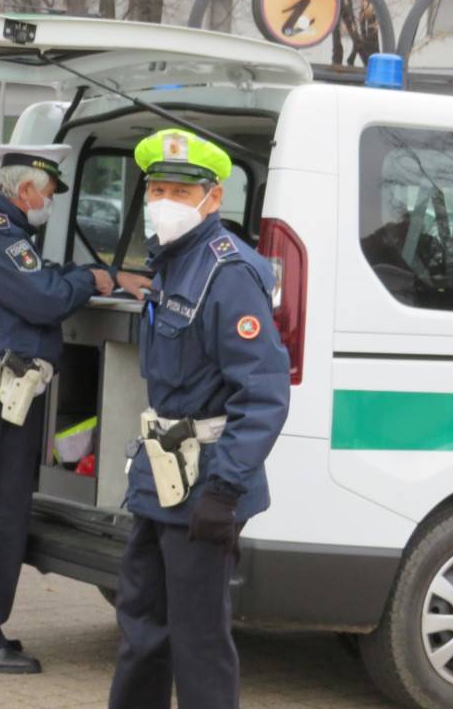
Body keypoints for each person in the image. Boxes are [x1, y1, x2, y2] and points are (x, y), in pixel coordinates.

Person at [108, 129, 290, 709]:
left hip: (205, 485)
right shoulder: (172, 262)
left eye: (180, 193)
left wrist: (225, 488)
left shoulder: (227, 273)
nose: (164, 201)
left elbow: (262, 393)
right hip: (159, 479)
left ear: (213, 199)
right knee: (141, 630)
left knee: (199, 642)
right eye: (157, 188)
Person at [0, 144, 131, 674]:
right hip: (0, 390)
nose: (49, 203)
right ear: (24, 190)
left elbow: (37, 282)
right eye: (48, 193)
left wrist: (82, 278)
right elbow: (44, 297)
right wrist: (92, 279)